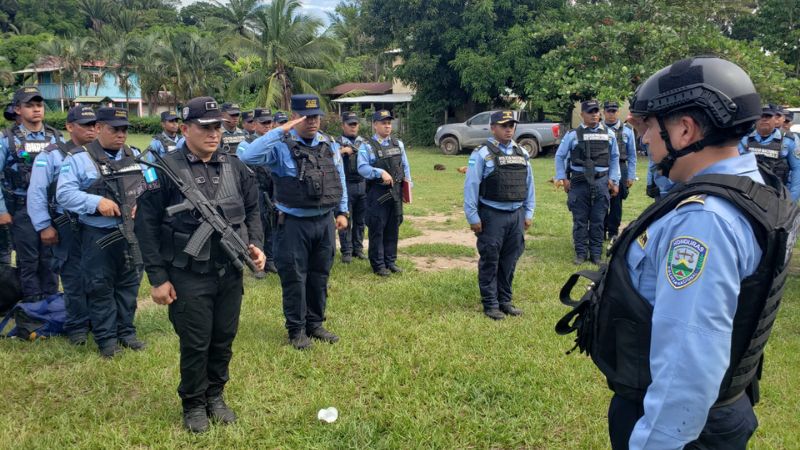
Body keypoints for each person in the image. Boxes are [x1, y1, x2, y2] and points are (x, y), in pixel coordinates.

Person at [556, 56, 800, 450]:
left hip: (682, 430)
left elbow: (688, 365)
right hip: (718, 411)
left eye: (649, 127)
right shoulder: (755, 188)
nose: (644, 140)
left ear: (684, 130)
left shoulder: (704, 221)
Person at [135, 96, 266, 433]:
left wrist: (256, 244)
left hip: (229, 271)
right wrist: (158, 278)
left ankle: (215, 396)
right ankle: (193, 403)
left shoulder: (235, 166)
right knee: (195, 342)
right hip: (187, 273)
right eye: (205, 127)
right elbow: (145, 227)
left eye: (217, 127)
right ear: (185, 129)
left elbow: (253, 209)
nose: (213, 134)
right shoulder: (164, 169)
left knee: (223, 337)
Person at [239, 94, 348, 350]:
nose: (312, 122)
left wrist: (342, 211)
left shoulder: (328, 144)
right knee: (295, 279)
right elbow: (247, 157)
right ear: (294, 118)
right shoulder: (280, 146)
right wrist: (280, 131)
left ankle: (315, 324)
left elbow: (339, 177)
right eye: (306, 117)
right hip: (292, 224)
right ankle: (296, 330)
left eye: (316, 117)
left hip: (324, 222)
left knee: (319, 276)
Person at [56, 107, 151, 358]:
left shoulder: (135, 154)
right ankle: (106, 340)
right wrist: (96, 202)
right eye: (114, 129)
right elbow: (64, 194)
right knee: (100, 286)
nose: (121, 135)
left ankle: (126, 332)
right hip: (98, 234)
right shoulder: (79, 158)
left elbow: (151, 185)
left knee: (129, 284)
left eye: (124, 130)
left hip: (131, 232)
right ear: (98, 128)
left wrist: (143, 202)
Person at [27, 106, 97, 345]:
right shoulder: (51, 155)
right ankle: (77, 327)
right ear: (69, 127)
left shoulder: (100, 154)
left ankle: (97, 321)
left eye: (94, 125)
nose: (91, 130)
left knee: (98, 275)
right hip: (66, 224)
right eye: (85, 125)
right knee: (73, 277)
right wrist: (43, 225)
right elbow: (36, 192)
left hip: (95, 225)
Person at [463, 110, 534, 320]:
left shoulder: (522, 153)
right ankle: (491, 304)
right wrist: (473, 217)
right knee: (490, 260)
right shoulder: (482, 153)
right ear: (493, 128)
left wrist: (528, 212)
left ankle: (505, 301)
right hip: (492, 215)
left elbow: (529, 185)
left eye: (511, 125)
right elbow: (471, 186)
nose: (508, 129)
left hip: (516, 215)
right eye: (504, 126)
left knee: (509, 261)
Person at [0, 86, 64, 300]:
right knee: (29, 260)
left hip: (50, 207)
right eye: (30, 105)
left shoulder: (55, 137)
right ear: (17, 109)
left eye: (39, 105)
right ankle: (32, 305)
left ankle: (51, 302)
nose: (36, 109)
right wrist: (2, 210)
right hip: (21, 208)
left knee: (50, 257)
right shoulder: (7, 139)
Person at [554, 100, 620, 265]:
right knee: (580, 220)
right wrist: (563, 178)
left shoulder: (609, 134)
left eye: (596, 111)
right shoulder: (572, 135)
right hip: (579, 182)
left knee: (598, 220)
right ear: (582, 114)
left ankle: (596, 254)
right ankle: (581, 253)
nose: (594, 115)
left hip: (601, 182)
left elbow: (614, 157)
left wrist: (614, 180)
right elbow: (560, 156)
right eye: (590, 112)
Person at [357, 110, 412, 276]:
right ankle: (378, 264)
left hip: (396, 193)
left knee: (393, 227)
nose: (387, 126)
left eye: (389, 123)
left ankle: (390, 261)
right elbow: (362, 168)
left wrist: (408, 186)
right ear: (375, 125)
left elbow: (405, 166)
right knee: (377, 228)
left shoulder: (398, 144)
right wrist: (379, 172)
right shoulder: (367, 146)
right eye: (383, 123)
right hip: (378, 193)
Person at [237, 108, 278, 277]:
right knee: (257, 226)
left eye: (270, 122)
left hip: (272, 188)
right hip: (255, 189)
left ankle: (271, 260)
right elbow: (242, 167)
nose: (267, 126)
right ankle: (257, 265)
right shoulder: (245, 144)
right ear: (254, 124)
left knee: (272, 224)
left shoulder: (275, 143)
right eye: (263, 123)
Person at [738, 106, 800, 203]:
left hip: (778, 195)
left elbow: (797, 169)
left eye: (768, 116)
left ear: (775, 119)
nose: (764, 119)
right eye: (761, 116)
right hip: (748, 194)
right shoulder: (744, 140)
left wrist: (791, 199)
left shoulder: (788, 141)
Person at [335, 111, 367, 263]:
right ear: (343, 126)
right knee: (345, 218)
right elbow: (328, 157)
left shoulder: (364, 143)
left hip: (362, 184)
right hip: (345, 185)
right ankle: (346, 251)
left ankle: (358, 249)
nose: (353, 127)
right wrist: (342, 151)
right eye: (350, 124)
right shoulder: (336, 142)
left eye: (355, 124)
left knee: (360, 221)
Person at [602, 101, 637, 243]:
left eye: (614, 111)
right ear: (604, 112)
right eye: (609, 111)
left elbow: (632, 155)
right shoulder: (597, 129)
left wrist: (631, 175)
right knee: (601, 200)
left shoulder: (627, 130)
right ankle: (601, 229)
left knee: (617, 202)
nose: (611, 114)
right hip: (602, 167)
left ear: (618, 112)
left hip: (621, 166)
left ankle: (613, 232)